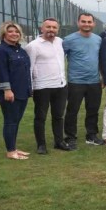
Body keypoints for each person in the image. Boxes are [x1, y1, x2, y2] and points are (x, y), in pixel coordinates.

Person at [25, 18, 70, 154]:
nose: (51, 30)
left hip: (60, 85)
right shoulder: (33, 46)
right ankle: (41, 145)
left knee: (58, 116)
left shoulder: (60, 42)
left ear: (58, 29)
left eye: (54, 27)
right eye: (48, 27)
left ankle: (59, 142)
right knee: (40, 117)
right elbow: (29, 67)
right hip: (42, 87)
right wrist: (30, 87)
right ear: (42, 28)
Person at [0, 21, 32, 160]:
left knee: (16, 121)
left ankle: (14, 147)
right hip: (10, 93)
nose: (14, 34)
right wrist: (7, 90)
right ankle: (10, 151)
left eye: (16, 31)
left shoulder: (20, 50)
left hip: (22, 92)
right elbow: (0, 73)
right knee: (10, 121)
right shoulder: (0, 51)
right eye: (10, 31)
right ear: (4, 34)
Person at [63, 12, 104, 148]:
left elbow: (100, 59)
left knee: (93, 110)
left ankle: (91, 136)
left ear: (93, 24)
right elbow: (59, 58)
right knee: (72, 110)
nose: (86, 24)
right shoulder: (68, 40)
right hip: (76, 81)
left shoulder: (98, 39)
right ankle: (70, 137)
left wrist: (102, 76)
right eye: (83, 21)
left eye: (89, 22)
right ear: (78, 23)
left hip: (94, 81)